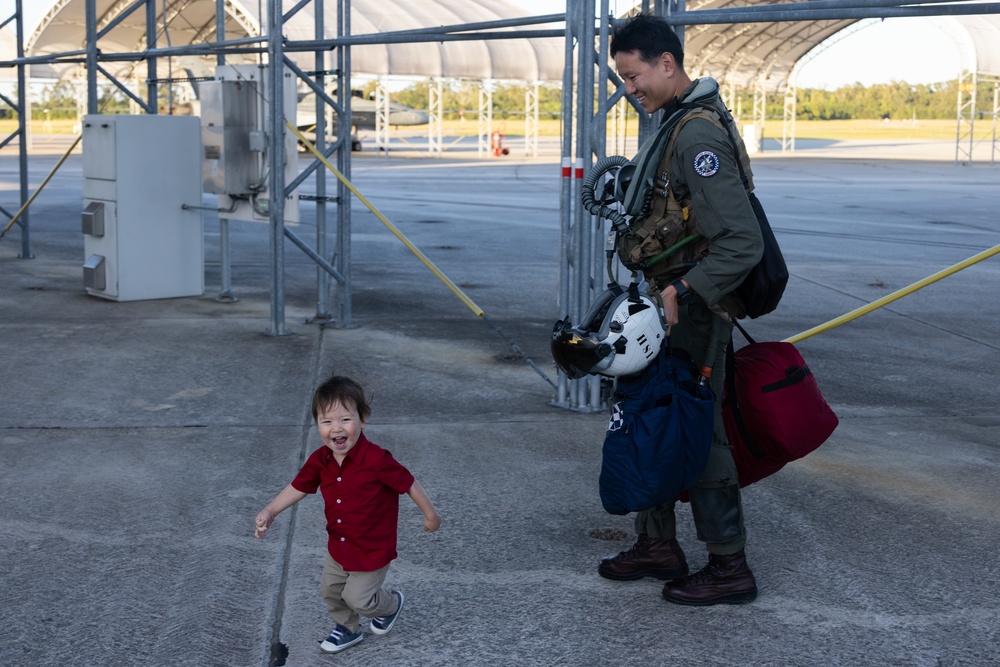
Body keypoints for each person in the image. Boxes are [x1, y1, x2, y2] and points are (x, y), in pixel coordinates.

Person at [597, 13, 764, 606]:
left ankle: (728, 564)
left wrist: (681, 292)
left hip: (690, 307)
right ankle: (657, 543)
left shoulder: (695, 135)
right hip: (667, 304)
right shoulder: (673, 123)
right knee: (653, 416)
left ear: (667, 64)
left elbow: (742, 243)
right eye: (623, 77)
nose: (629, 88)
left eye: (633, 74)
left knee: (699, 427)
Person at [254, 375, 441, 652]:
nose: (336, 428)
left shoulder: (377, 460)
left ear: (362, 420)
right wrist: (271, 510)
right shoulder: (320, 459)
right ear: (317, 425)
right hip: (339, 544)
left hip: (372, 548)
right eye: (326, 421)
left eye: (345, 419)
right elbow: (299, 486)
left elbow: (408, 483)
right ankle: (348, 628)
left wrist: (431, 515)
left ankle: (390, 605)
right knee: (330, 591)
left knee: (360, 599)